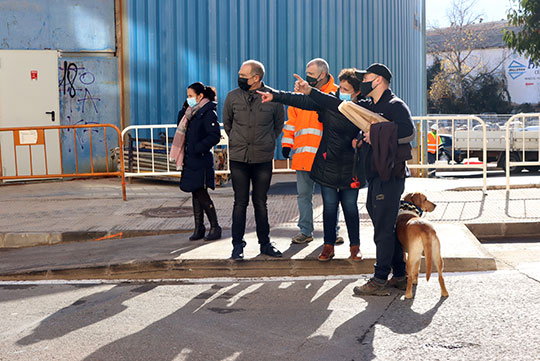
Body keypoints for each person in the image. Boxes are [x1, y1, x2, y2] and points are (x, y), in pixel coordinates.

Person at [259, 68, 366, 262]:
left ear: (357, 92)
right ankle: (328, 246)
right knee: (330, 207)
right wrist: (275, 96)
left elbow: (371, 127)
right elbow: (300, 100)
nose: (340, 91)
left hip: (352, 166)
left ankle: (355, 246)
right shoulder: (329, 103)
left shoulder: (364, 107)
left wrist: (360, 138)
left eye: (346, 89)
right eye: (340, 87)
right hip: (327, 163)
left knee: (350, 206)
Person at [350, 63, 416, 296]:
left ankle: (379, 279)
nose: (363, 81)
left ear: (378, 80)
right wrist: (362, 139)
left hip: (391, 174)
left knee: (383, 228)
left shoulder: (395, 105)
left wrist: (375, 135)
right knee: (384, 225)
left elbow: (409, 133)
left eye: (365, 77)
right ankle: (399, 275)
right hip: (378, 173)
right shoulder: (375, 105)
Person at [223, 60, 285, 260]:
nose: (239, 78)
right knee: (239, 203)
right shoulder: (232, 97)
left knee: (260, 202)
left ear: (256, 78)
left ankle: (265, 244)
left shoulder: (273, 98)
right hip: (239, 159)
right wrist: (239, 142)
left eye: (243, 75)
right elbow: (228, 124)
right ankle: (237, 245)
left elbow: (278, 126)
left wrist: (265, 142)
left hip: (262, 159)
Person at [280, 58, 344, 245]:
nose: (308, 78)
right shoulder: (299, 96)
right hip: (303, 155)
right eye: (307, 74)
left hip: (327, 155)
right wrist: (287, 144)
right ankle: (305, 231)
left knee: (330, 198)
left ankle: (332, 233)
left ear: (323, 75)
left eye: (311, 75)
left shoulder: (336, 94)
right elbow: (291, 122)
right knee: (304, 196)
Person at [171, 82, 222, 241]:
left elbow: (214, 136)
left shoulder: (208, 113)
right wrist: (185, 107)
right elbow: (179, 123)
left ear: (200, 96)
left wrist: (197, 148)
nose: (189, 98)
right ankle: (199, 227)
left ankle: (215, 226)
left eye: (191, 96)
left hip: (200, 159)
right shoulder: (190, 112)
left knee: (201, 193)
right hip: (190, 158)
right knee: (195, 192)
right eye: (188, 96)